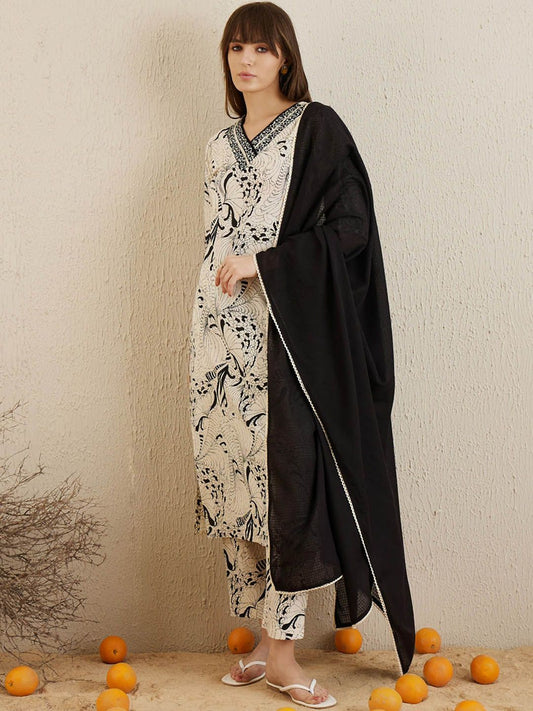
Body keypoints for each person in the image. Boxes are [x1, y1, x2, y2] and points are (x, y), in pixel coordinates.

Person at [188, 2, 416, 707]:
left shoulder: (317, 129)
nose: (246, 60)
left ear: (285, 56)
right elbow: (213, 241)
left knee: (285, 492)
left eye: (261, 47)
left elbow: (350, 229)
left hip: (289, 345)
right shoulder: (218, 145)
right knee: (234, 491)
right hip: (218, 342)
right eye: (236, 48)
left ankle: (284, 653)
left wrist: (266, 263)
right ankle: (262, 644)